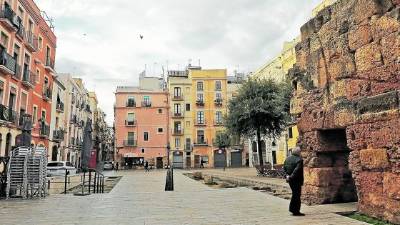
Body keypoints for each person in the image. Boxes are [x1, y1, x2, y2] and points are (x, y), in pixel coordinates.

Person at [283, 147, 305, 216]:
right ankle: (296, 211)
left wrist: (287, 176)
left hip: (290, 180)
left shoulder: (287, 159)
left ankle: (293, 209)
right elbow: (297, 170)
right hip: (296, 180)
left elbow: (284, 168)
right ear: (298, 153)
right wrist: (290, 177)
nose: (301, 153)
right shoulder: (299, 160)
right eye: (300, 152)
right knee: (297, 195)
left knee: (294, 194)